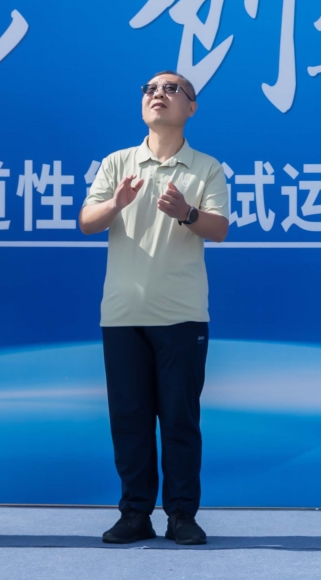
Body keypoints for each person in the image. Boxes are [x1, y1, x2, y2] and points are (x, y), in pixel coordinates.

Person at [78, 71, 229, 547]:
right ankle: (134, 513)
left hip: (182, 315)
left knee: (180, 420)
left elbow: (219, 229)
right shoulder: (118, 163)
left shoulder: (206, 168)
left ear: (192, 107)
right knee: (130, 419)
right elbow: (87, 221)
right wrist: (116, 202)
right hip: (123, 315)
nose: (157, 95)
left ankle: (182, 515)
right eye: (149, 89)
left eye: (170, 89)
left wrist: (187, 213)